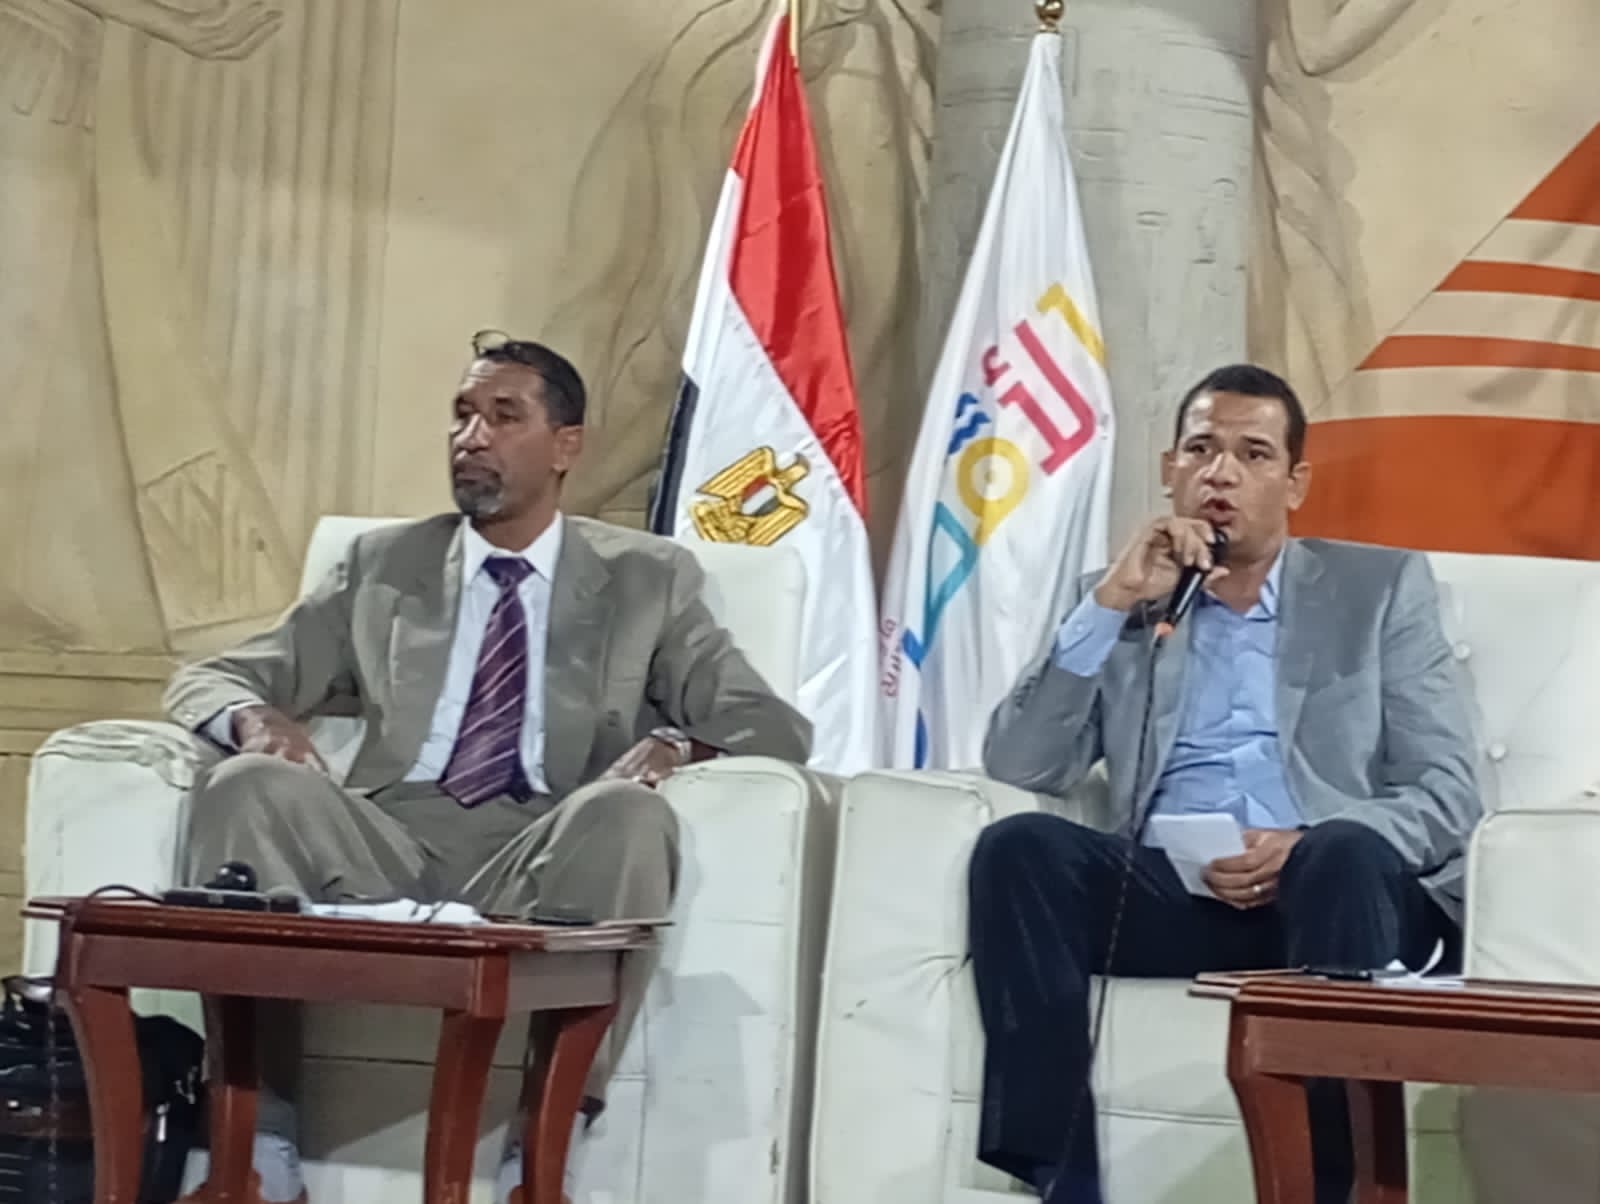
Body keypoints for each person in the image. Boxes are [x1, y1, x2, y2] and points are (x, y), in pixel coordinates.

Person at [164, 333, 812, 1204]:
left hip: (541, 850)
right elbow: (213, 677)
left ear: (565, 446)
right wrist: (256, 718)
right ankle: (260, 1146)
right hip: (386, 842)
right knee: (247, 784)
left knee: (627, 814)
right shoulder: (384, 566)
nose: (471, 437)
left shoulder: (646, 580)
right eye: (463, 415)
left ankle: (540, 1153)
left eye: (504, 417)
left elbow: (771, 725)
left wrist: (676, 744)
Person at [967, 363, 1481, 1204]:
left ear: (1295, 483)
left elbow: (1450, 789)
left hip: (1338, 893)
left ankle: (1330, 1187)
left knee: (1340, 852)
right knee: (1018, 848)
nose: (1222, 473)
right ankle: (1064, 1180)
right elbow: (1023, 762)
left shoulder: (1380, 588)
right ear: (1170, 468)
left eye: (1253, 454)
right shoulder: (1124, 600)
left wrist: (1303, 845)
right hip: (1181, 892)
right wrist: (1108, 604)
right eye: (1202, 449)